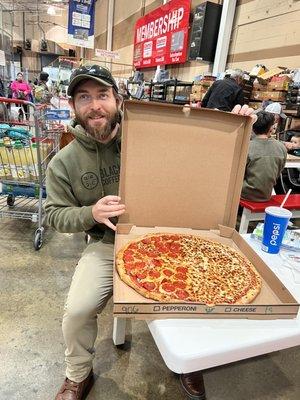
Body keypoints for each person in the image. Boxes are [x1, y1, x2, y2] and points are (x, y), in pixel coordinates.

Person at [45, 64, 257, 400]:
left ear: (118, 100)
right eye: (84, 97)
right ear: (73, 106)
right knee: (77, 310)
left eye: (102, 95)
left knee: (200, 297)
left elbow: (204, 151)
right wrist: (91, 213)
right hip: (107, 245)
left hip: (166, 242)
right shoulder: (64, 161)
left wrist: (236, 123)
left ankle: (191, 364)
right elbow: (54, 214)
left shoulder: (151, 135)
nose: (94, 105)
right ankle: (77, 375)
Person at [241, 111, 287, 202]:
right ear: (271, 127)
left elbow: (239, 174)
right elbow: (278, 172)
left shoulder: (246, 146)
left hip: (244, 194)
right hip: (266, 194)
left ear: (252, 127)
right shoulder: (281, 147)